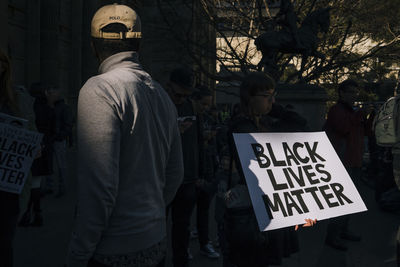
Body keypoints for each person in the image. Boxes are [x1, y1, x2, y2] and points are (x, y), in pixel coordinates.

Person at [67, 4, 183, 267]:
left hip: (114, 248)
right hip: (155, 241)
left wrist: (77, 254)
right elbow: (175, 173)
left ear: (93, 46)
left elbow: (98, 188)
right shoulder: (162, 95)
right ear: (138, 46)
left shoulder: (99, 90)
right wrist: (149, 214)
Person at [223, 72, 315, 267]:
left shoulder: (261, 123)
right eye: (266, 96)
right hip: (254, 213)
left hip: (265, 208)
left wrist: (277, 111)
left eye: (274, 95)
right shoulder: (242, 127)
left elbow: (303, 126)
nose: (272, 101)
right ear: (249, 97)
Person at [0, 49, 37, 267]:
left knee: (4, 245)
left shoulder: (18, 99)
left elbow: (31, 135)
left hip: (8, 188)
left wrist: (34, 148)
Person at [324, 79, 370, 251]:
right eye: (350, 92)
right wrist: (360, 115)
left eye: (355, 92)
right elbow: (344, 127)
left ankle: (342, 231)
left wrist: (370, 117)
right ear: (341, 93)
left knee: (351, 201)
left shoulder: (353, 111)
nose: (354, 95)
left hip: (354, 160)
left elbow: (364, 132)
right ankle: (332, 236)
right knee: (340, 202)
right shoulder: (336, 110)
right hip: (342, 162)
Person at [165, 67, 203, 267]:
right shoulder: (158, 106)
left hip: (188, 179)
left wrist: (201, 173)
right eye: (177, 94)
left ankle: (181, 261)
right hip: (161, 179)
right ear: (168, 86)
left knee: (182, 227)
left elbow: (199, 142)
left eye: (186, 95)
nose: (181, 99)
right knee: (156, 226)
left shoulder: (191, 107)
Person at [18, 83, 54, 227]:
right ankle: (37, 213)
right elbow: (53, 129)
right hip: (43, 147)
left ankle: (27, 214)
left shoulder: (25, 107)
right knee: (36, 183)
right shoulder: (48, 108)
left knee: (28, 183)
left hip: (27, 147)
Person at [190, 86, 220, 259]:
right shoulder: (188, 119)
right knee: (184, 215)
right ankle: (183, 246)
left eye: (208, 105)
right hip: (190, 173)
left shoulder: (207, 118)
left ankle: (204, 242)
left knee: (203, 210)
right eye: (203, 104)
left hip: (206, 170)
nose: (206, 108)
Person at [45, 85, 73, 197]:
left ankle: (62, 187)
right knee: (49, 164)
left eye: (52, 93)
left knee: (61, 165)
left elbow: (68, 124)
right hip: (50, 138)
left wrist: (61, 135)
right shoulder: (50, 106)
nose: (49, 95)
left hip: (58, 139)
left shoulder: (63, 107)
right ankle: (50, 186)